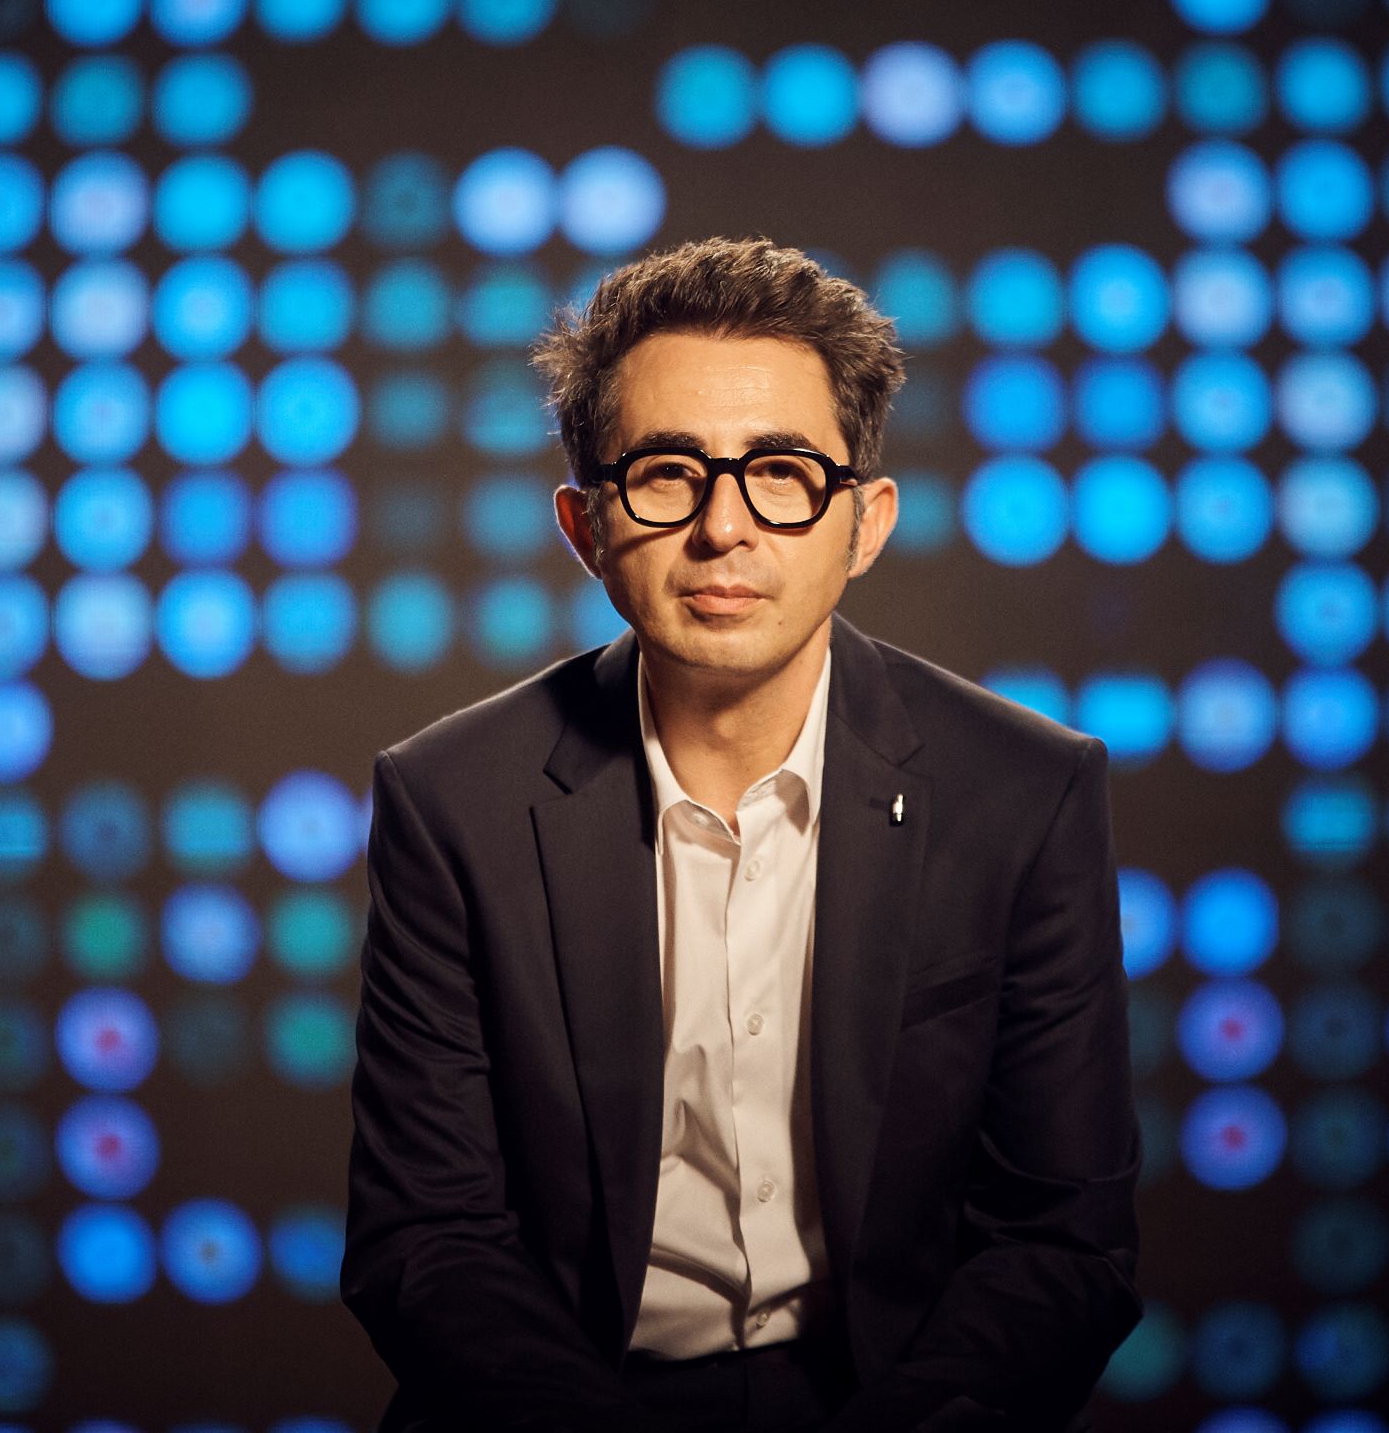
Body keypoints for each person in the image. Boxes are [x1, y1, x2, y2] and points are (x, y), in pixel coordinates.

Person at [342, 236, 1142, 1433]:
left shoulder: (1025, 792)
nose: (725, 527)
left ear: (864, 521)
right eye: (667, 473)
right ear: (585, 526)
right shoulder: (451, 800)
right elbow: (429, 1240)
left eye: (781, 471)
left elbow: (1063, 1241)